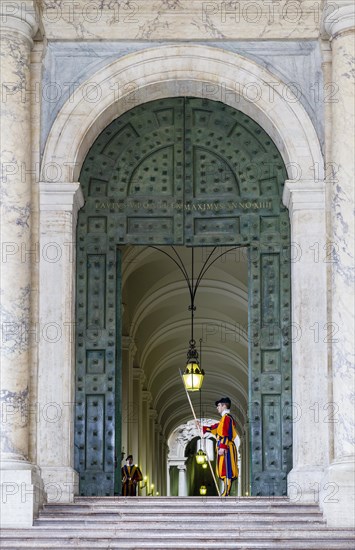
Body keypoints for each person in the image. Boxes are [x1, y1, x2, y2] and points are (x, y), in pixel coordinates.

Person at [197, 397, 238, 497]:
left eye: (219, 405)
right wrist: (201, 427)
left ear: (224, 406)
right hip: (224, 446)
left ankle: (226, 492)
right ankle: (226, 490)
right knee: (223, 469)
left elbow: (224, 433)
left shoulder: (227, 418)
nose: (217, 408)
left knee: (227, 469)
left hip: (227, 447)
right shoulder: (224, 419)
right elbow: (215, 428)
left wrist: (223, 447)